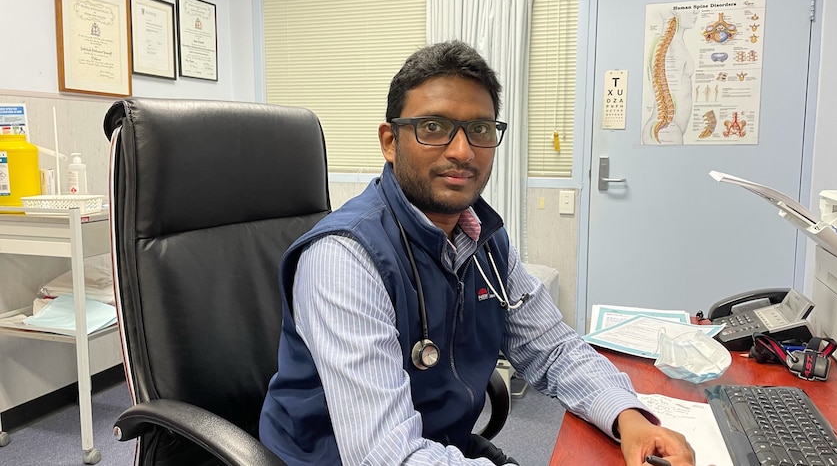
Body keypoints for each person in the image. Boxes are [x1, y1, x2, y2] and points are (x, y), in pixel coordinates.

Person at [259, 40, 696, 466]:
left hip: (440, 445)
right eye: (433, 127)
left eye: (480, 129)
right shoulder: (345, 258)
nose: (462, 151)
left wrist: (629, 416)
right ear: (390, 142)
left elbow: (554, 349)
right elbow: (385, 453)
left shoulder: (484, 241)